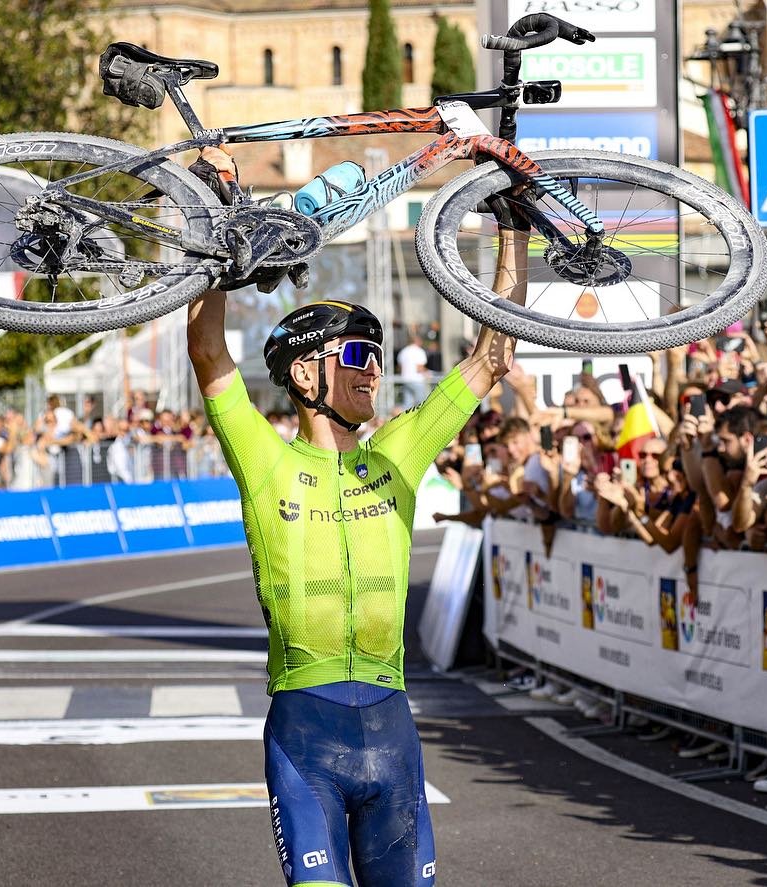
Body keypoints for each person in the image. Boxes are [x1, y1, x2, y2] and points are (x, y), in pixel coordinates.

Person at [187, 145, 528, 887]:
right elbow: (209, 353)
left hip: (393, 730)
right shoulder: (266, 460)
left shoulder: (397, 453)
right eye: (354, 352)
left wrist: (513, 227)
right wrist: (217, 230)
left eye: (375, 353)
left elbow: (492, 354)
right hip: (304, 737)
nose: (373, 366)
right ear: (305, 373)